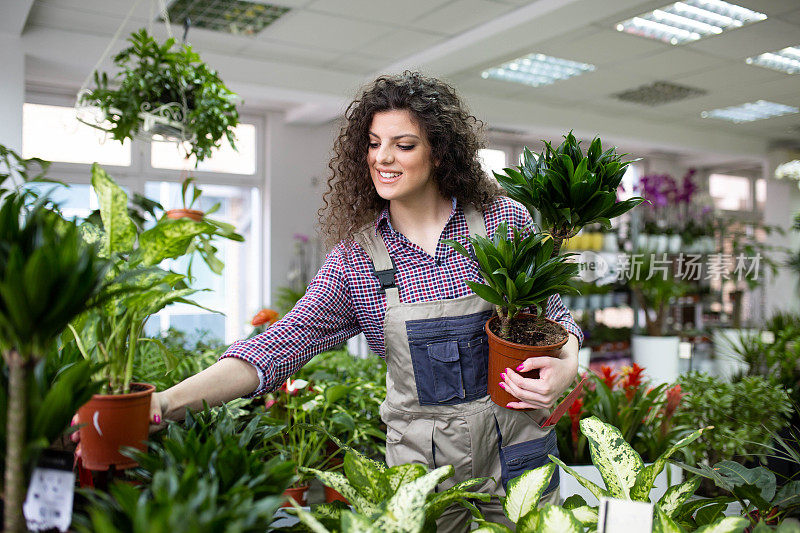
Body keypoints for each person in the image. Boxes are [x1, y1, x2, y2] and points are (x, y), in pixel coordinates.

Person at [84, 72, 583, 531]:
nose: (382, 157)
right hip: (425, 473)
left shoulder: (503, 221)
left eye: (403, 144)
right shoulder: (357, 262)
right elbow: (279, 346)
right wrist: (166, 402)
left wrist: (567, 366)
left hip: (516, 449)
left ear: (440, 153)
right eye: (373, 144)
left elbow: (555, 317)